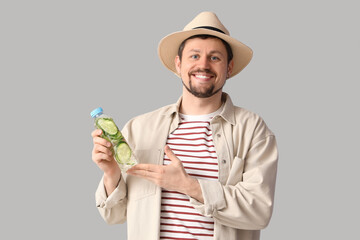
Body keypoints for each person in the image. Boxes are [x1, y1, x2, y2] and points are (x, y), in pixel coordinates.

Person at [91, 11, 278, 240]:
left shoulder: (252, 130)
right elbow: (114, 215)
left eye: (215, 57)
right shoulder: (138, 129)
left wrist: (189, 186)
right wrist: (111, 173)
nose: (204, 65)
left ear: (229, 68)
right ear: (178, 64)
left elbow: (259, 210)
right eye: (194, 56)